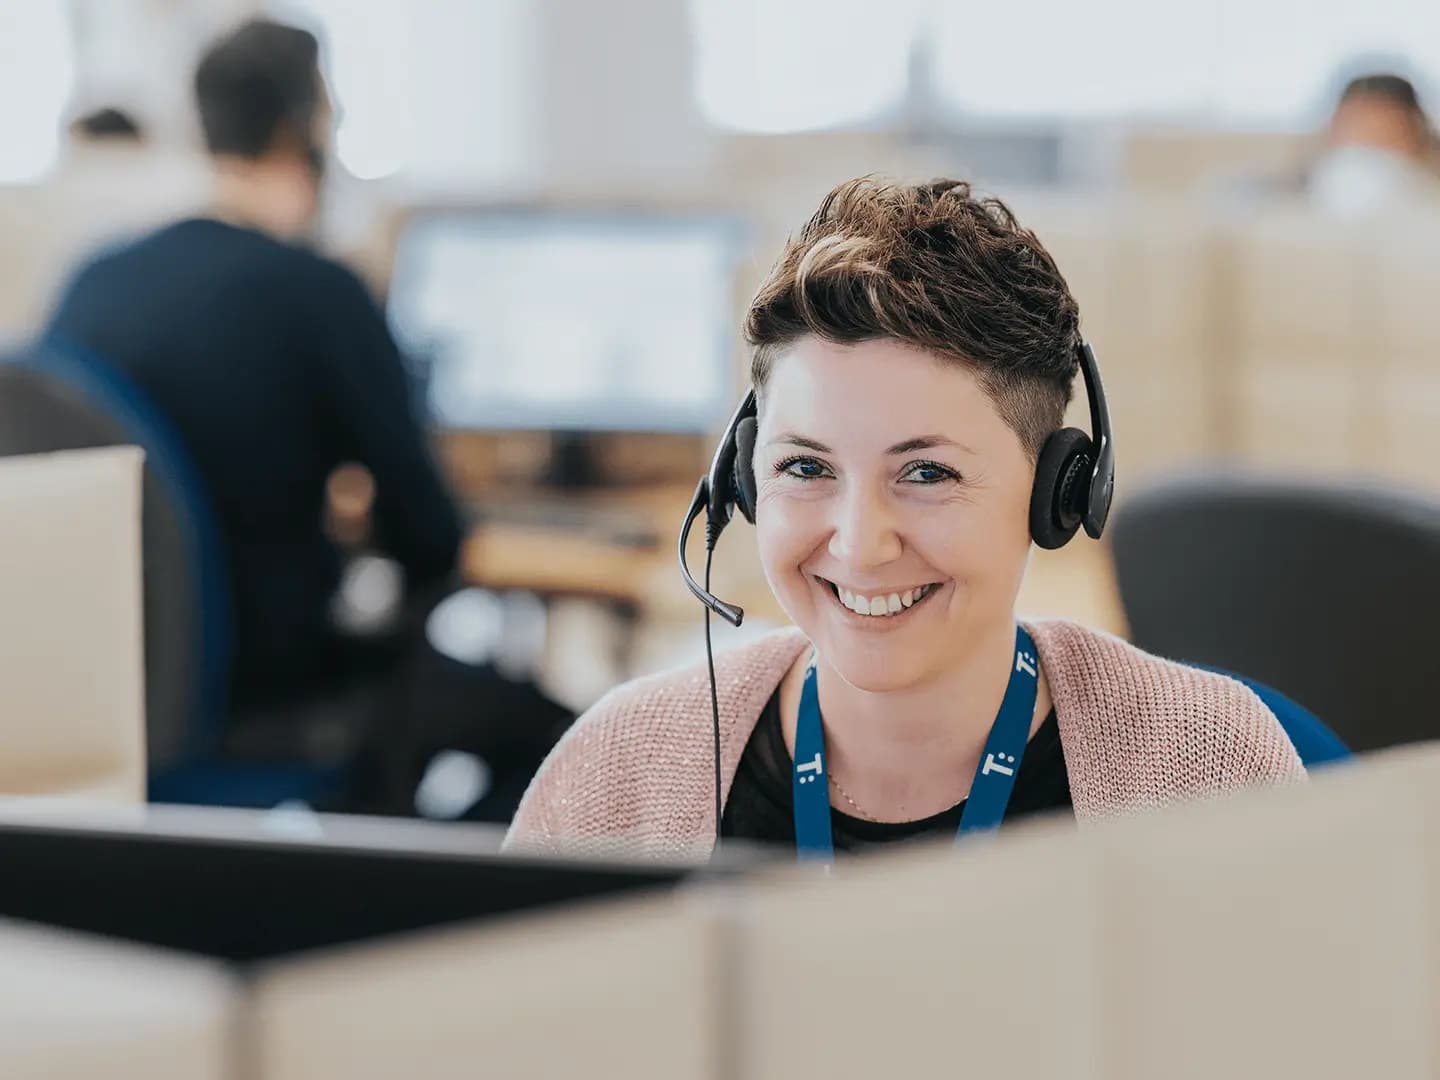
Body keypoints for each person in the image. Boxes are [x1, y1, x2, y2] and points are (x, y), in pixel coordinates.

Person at [505, 177, 1305, 861]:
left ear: (1058, 493)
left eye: (927, 473)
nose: (860, 544)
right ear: (744, 479)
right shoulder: (617, 776)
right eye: (805, 467)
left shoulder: (1212, 773)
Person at [43, 19, 464, 708]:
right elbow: (431, 539)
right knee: (556, 729)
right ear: (304, 132)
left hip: (115, 703)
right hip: (275, 690)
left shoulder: (92, 280)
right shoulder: (321, 292)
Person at [1306, 72, 1440, 216]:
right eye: (1352, 120)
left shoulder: (1419, 181)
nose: (1359, 131)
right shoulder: (1331, 173)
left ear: (1412, 126)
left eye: (1375, 122)